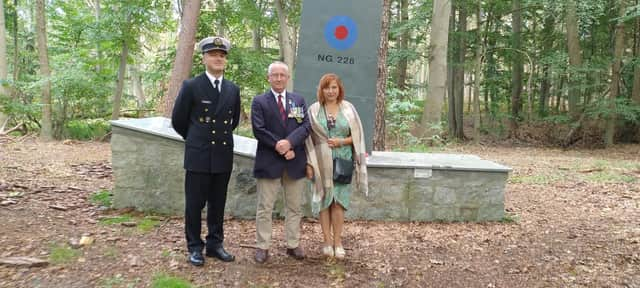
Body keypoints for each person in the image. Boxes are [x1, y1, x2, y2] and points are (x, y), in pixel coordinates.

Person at [171, 36, 240, 266]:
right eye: (213, 54)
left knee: (218, 203)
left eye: (222, 55)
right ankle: (194, 247)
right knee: (194, 204)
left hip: (222, 155)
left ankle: (214, 244)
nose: (218, 58)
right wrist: (195, 140)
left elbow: (233, 121)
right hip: (198, 155)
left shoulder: (232, 89)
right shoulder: (191, 86)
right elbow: (179, 120)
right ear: (204, 59)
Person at [251, 61, 310, 263]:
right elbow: (259, 129)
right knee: (265, 207)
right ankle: (262, 246)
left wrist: (289, 143)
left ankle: (293, 244)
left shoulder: (298, 100)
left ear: (287, 78)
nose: (278, 78)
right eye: (274, 75)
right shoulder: (259, 101)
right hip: (269, 161)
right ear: (269, 78)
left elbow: (305, 127)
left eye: (282, 75)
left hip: (295, 162)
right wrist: (279, 146)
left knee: (294, 207)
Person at [304, 73, 368, 260]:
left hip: (342, 161)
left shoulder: (348, 109)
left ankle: (338, 242)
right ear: (321, 90)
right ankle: (326, 242)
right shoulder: (314, 110)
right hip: (320, 162)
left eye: (334, 87)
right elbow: (307, 139)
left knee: (338, 203)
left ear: (339, 89)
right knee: (324, 202)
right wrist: (308, 164)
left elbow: (357, 136)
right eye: (327, 87)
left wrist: (341, 141)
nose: (331, 91)